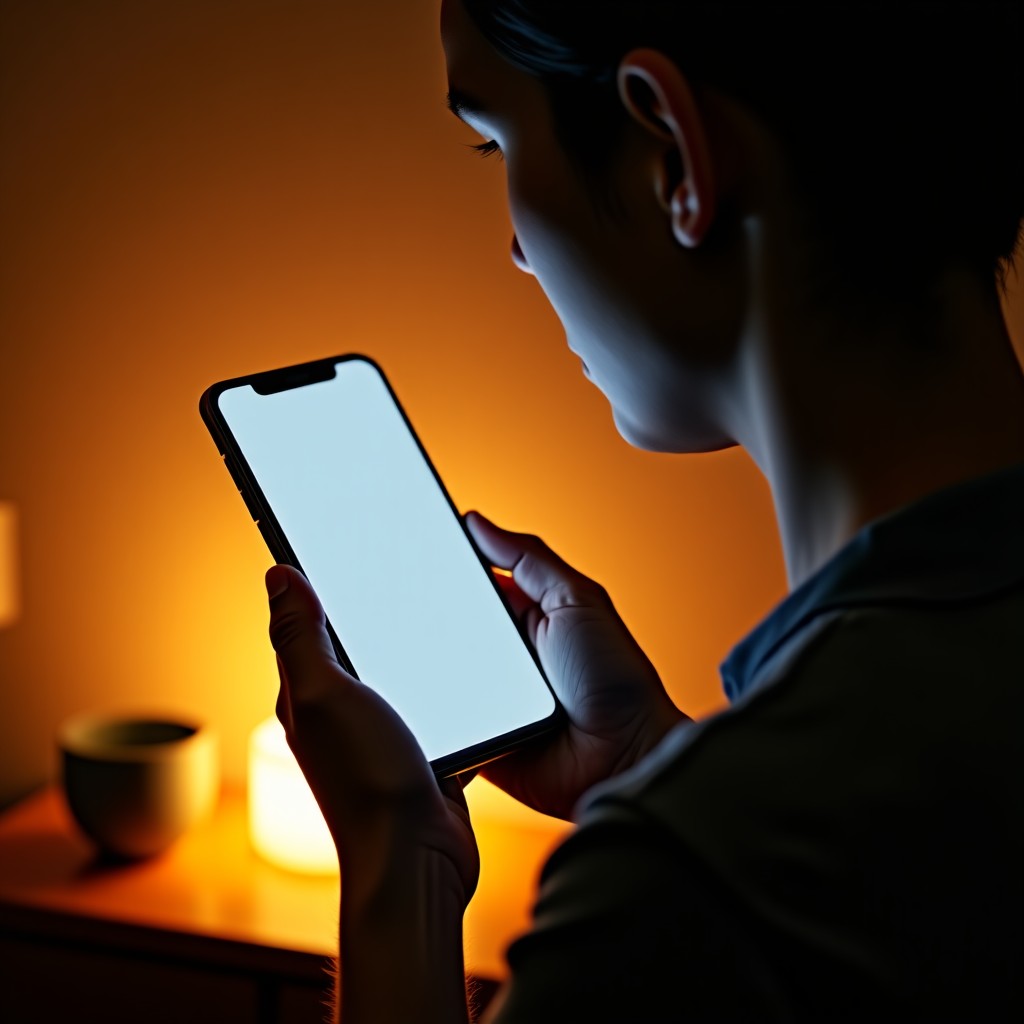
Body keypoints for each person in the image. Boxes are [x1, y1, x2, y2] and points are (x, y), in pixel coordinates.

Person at [263, 1, 1024, 1020]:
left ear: (672, 155)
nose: (518, 251)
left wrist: (404, 870)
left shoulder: (682, 899)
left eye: (496, 141)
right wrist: (648, 761)